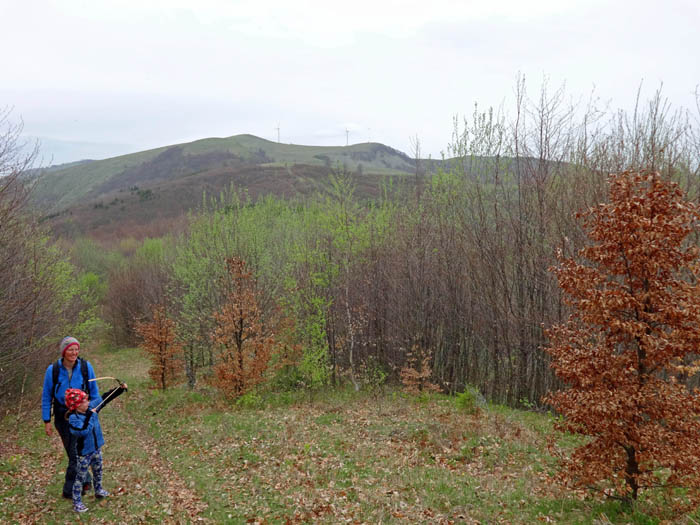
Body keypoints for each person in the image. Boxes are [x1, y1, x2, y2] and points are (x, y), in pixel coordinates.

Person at [41, 336, 102, 499]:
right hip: (62, 416)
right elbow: (46, 396)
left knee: (78, 452)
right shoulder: (52, 370)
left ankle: (71, 490)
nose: (74, 352)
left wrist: (92, 410)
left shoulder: (85, 367)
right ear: (63, 351)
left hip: (80, 414)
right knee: (73, 453)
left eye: (76, 349)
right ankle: (84, 481)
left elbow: (94, 392)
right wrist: (46, 421)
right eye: (70, 349)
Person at [65, 384, 126, 513]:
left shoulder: (91, 408)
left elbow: (104, 398)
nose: (87, 401)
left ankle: (98, 490)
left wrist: (119, 389)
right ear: (76, 405)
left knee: (98, 471)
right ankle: (77, 503)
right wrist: (91, 416)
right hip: (84, 453)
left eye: (87, 399)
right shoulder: (73, 419)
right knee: (80, 478)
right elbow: (83, 431)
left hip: (96, 449)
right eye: (84, 401)